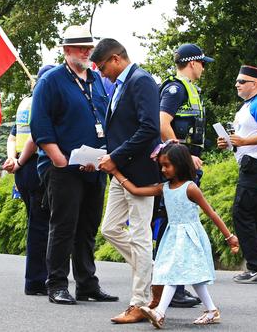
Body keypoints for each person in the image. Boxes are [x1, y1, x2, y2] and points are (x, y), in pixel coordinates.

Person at [30, 25, 117, 305]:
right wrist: (58, 159)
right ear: (67, 51)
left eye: (89, 47)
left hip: (95, 164)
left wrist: (103, 158)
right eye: (81, 48)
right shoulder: (52, 81)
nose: (87, 52)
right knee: (63, 226)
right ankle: (56, 283)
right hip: (63, 166)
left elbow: (106, 119)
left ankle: (87, 283)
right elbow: (40, 124)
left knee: (88, 226)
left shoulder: (96, 79)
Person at [110, 142, 239, 329]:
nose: (163, 169)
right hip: (172, 236)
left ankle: (159, 312)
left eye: (167, 165)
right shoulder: (163, 188)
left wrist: (229, 237)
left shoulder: (190, 188)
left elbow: (211, 213)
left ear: (180, 164)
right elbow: (136, 191)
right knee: (186, 276)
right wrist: (115, 172)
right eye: (161, 165)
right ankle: (211, 310)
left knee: (172, 273)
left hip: (189, 236)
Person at [92, 38, 161, 323]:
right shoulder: (120, 85)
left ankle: (140, 303)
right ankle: (156, 275)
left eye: (103, 66)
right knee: (110, 229)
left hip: (140, 171)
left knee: (141, 236)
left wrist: (116, 156)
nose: (102, 72)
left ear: (117, 59)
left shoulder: (141, 81)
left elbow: (149, 128)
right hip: (120, 170)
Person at [154, 43, 214, 308]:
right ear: (192, 63)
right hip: (178, 168)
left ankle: (174, 287)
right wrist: (182, 154)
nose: (203, 68)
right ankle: (170, 288)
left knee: (180, 227)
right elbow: (162, 122)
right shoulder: (176, 89)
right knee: (174, 228)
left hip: (185, 167)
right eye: (202, 63)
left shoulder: (190, 89)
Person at [216, 65, 257, 283]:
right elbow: (243, 137)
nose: (237, 84)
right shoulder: (247, 106)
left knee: (241, 213)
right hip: (253, 163)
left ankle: (254, 266)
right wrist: (230, 143)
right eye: (237, 81)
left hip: (256, 164)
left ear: (256, 84)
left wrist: (243, 141)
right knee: (256, 216)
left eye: (242, 81)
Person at [3, 64, 55, 295]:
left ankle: (41, 276)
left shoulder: (25, 103)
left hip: (23, 171)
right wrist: (21, 161)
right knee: (41, 226)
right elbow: (35, 137)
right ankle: (37, 280)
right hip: (34, 166)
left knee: (36, 223)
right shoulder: (42, 102)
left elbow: (13, 136)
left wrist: (12, 160)